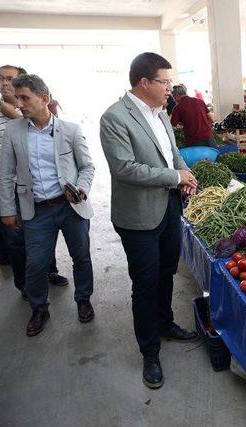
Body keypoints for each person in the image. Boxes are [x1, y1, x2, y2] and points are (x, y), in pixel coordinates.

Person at [100, 52, 200, 389]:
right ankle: (149, 351)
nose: (171, 87)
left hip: (169, 209)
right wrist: (175, 176)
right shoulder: (115, 117)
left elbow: (173, 155)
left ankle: (165, 322)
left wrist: (184, 175)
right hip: (139, 216)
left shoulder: (161, 114)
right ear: (144, 82)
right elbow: (125, 168)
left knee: (166, 272)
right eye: (165, 81)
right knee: (145, 283)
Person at [0, 74, 95, 336]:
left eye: (24, 97)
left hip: (70, 207)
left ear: (44, 98)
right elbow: (7, 173)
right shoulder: (14, 131)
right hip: (36, 210)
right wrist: (7, 209)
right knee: (36, 264)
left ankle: (84, 299)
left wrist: (82, 189)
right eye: (17, 98)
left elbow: (86, 166)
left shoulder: (71, 130)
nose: (19, 103)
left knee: (81, 256)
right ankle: (39, 308)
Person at [0, 65, 68, 297]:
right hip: (4, 183)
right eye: (0, 78)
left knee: (43, 233)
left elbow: (50, 132)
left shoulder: (32, 108)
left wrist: (15, 113)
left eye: (10, 79)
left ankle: (50, 271)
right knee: (16, 238)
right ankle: (25, 285)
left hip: (36, 183)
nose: (4, 83)